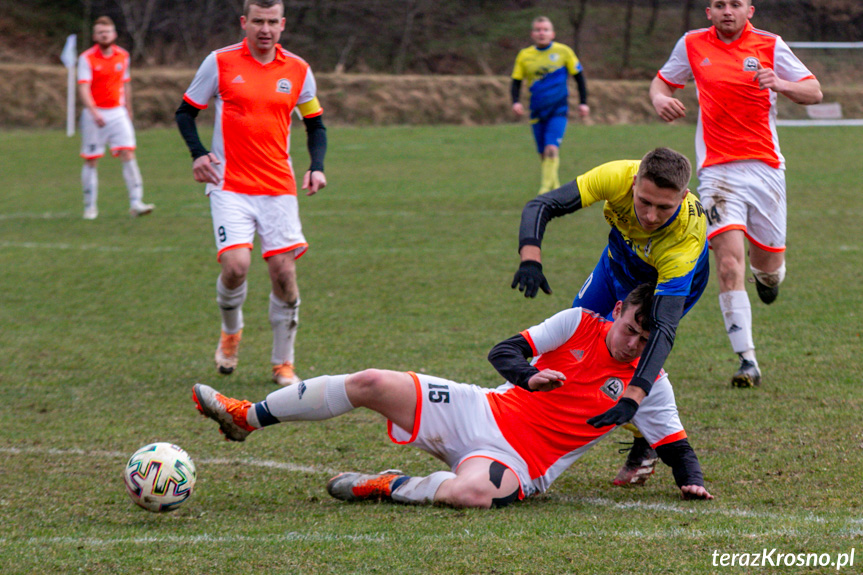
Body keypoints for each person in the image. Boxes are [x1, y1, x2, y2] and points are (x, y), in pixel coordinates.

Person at [192, 284, 713, 508]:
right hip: (479, 408)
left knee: (472, 495)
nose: (635, 344)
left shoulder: (653, 383)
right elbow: (504, 351)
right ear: (618, 310)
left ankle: (389, 485)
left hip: (518, 463)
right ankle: (246, 416)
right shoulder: (578, 323)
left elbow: (677, 448)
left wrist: (691, 482)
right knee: (372, 381)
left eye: (648, 340)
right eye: (631, 330)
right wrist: (529, 376)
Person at [510, 147, 709, 487]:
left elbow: (663, 329)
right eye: (644, 201)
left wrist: (632, 397)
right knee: (575, 340)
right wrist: (531, 257)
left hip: (665, 281)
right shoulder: (616, 176)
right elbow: (541, 205)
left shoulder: (684, 241)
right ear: (633, 183)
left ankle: (645, 438)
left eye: (664, 207)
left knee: (626, 353)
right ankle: (524, 422)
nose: (650, 215)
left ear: (684, 196)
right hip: (617, 264)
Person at [649, 0, 822, 388]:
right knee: (729, 264)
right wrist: (660, 98)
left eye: (735, 4)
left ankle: (768, 278)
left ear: (750, 10)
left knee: (769, 268)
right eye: (719, 4)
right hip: (717, 172)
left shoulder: (770, 45)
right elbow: (662, 81)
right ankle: (747, 360)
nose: (727, 10)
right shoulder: (692, 44)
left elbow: (814, 91)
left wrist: (781, 83)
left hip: (765, 170)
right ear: (709, 11)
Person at [175, 0, 327, 386]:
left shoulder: (298, 69)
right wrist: (198, 154)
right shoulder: (220, 62)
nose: (265, 29)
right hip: (229, 186)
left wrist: (317, 165)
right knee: (236, 266)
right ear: (245, 23)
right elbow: (185, 112)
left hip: (278, 187)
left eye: (272, 22)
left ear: (283, 25)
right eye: (257, 21)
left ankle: (283, 363)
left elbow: (315, 124)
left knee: (283, 275)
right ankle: (231, 334)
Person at [77, 16, 154, 220]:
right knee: (91, 160)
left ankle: (136, 203)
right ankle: (90, 207)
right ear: (95, 36)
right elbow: (83, 87)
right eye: (100, 32)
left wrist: (128, 108)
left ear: (114, 34)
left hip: (118, 112)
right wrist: (93, 111)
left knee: (128, 154)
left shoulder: (123, 56)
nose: (104, 35)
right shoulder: (87, 58)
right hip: (95, 114)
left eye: (108, 31)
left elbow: (125, 83)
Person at [511, 16, 590, 194]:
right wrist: (515, 101)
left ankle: (544, 190)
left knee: (551, 148)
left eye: (545, 29)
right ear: (532, 34)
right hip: (537, 110)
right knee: (543, 154)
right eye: (538, 30)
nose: (541, 33)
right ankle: (556, 189)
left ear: (552, 33)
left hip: (559, 110)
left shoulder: (564, 52)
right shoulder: (525, 56)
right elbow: (516, 81)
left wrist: (583, 103)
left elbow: (579, 78)